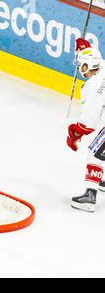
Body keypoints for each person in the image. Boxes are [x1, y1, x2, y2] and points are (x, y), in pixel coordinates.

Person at [67, 38, 105, 213]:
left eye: (82, 65)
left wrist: (75, 133)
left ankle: (90, 197)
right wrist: (86, 50)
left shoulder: (94, 86)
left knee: (95, 152)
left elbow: (88, 122)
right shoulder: (102, 67)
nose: (80, 68)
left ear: (89, 67)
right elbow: (98, 61)